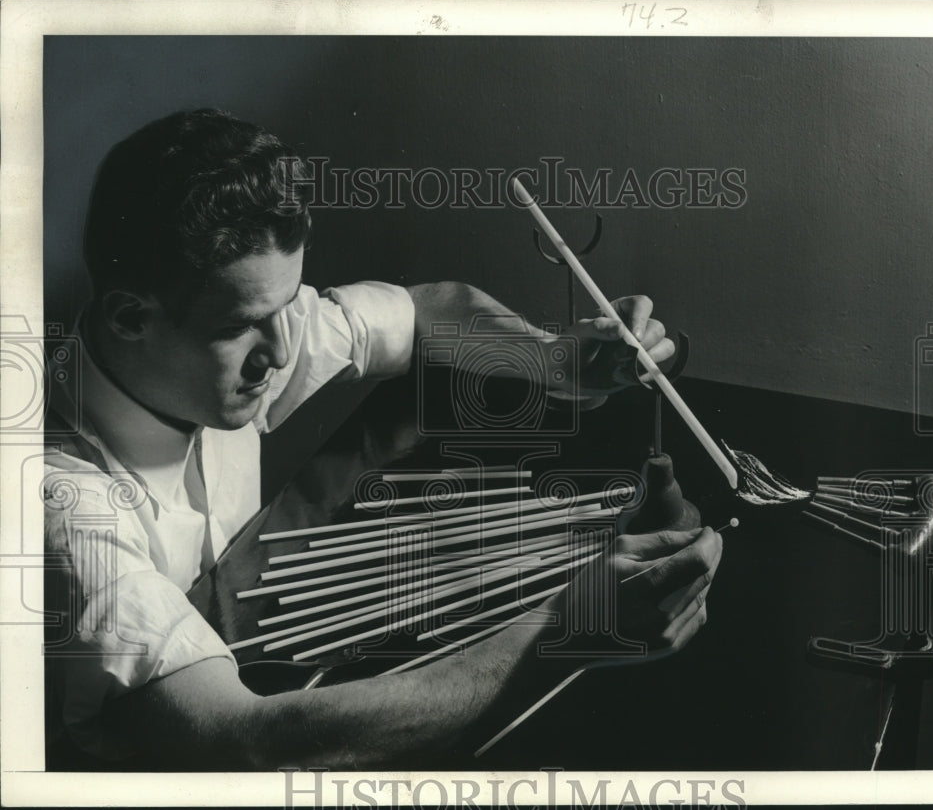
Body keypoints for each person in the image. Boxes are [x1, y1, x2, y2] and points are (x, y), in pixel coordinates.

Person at [44, 108, 723, 769]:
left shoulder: (223, 332)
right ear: (132, 316)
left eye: (290, 305)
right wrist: (563, 631)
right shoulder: (64, 510)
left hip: (230, 627)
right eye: (243, 327)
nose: (282, 353)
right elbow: (247, 742)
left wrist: (551, 360)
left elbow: (423, 312)